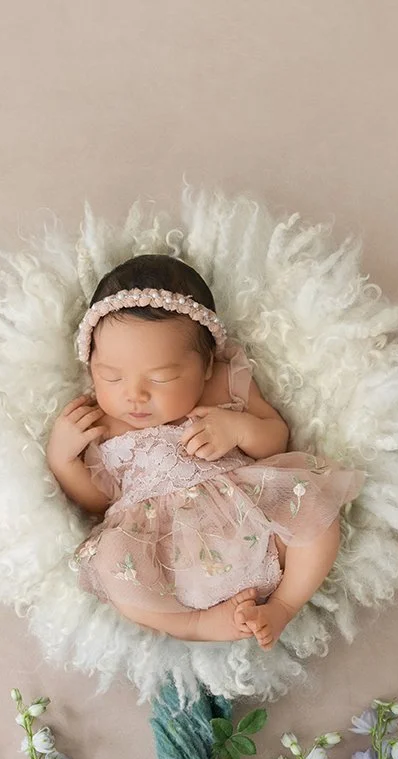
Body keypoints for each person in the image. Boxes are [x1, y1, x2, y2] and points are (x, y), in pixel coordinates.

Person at [48, 254, 362, 649]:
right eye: (111, 376)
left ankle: (283, 606)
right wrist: (62, 459)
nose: (134, 394)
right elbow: (99, 500)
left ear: (207, 366)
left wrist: (241, 428)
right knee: (110, 562)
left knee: (312, 503)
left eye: (162, 377)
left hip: (251, 522)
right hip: (166, 556)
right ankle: (195, 624)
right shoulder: (102, 423)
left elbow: (275, 439)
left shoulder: (226, 386)